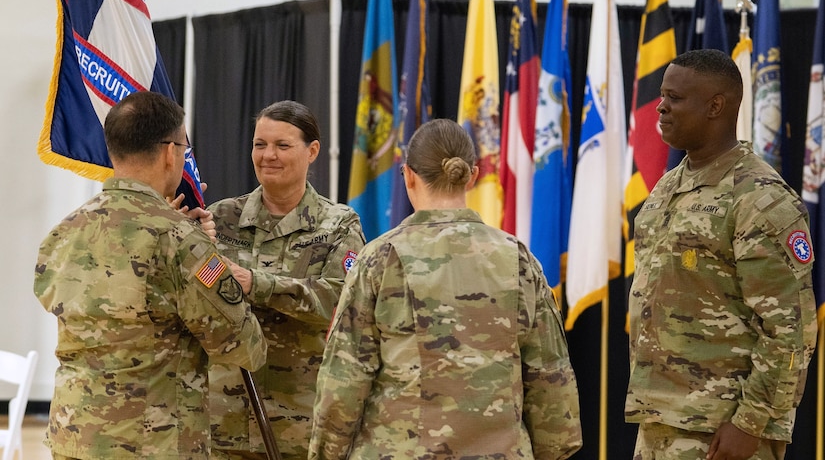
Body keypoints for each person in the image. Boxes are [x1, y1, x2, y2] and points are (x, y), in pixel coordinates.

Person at [308, 118, 583, 459]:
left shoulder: (380, 258)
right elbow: (549, 376)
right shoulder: (519, 259)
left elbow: (344, 380)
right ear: (473, 175)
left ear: (408, 175)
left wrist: (326, 454)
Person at [33, 91, 267, 459]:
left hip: (73, 437)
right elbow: (244, 346)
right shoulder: (178, 239)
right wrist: (207, 253)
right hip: (152, 443)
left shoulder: (64, 231)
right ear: (171, 152)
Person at [625, 49, 818, 460]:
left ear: (716, 106)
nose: (660, 107)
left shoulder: (759, 198)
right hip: (659, 419)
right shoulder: (667, 187)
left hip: (722, 430)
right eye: (662, 95)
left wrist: (751, 422)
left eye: (674, 98)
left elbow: (790, 329)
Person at [207, 100, 366, 459]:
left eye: (282, 145)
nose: (268, 156)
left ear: (312, 151)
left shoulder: (339, 224)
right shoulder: (220, 218)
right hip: (224, 415)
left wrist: (256, 284)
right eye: (260, 144)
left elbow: (340, 302)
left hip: (300, 417)